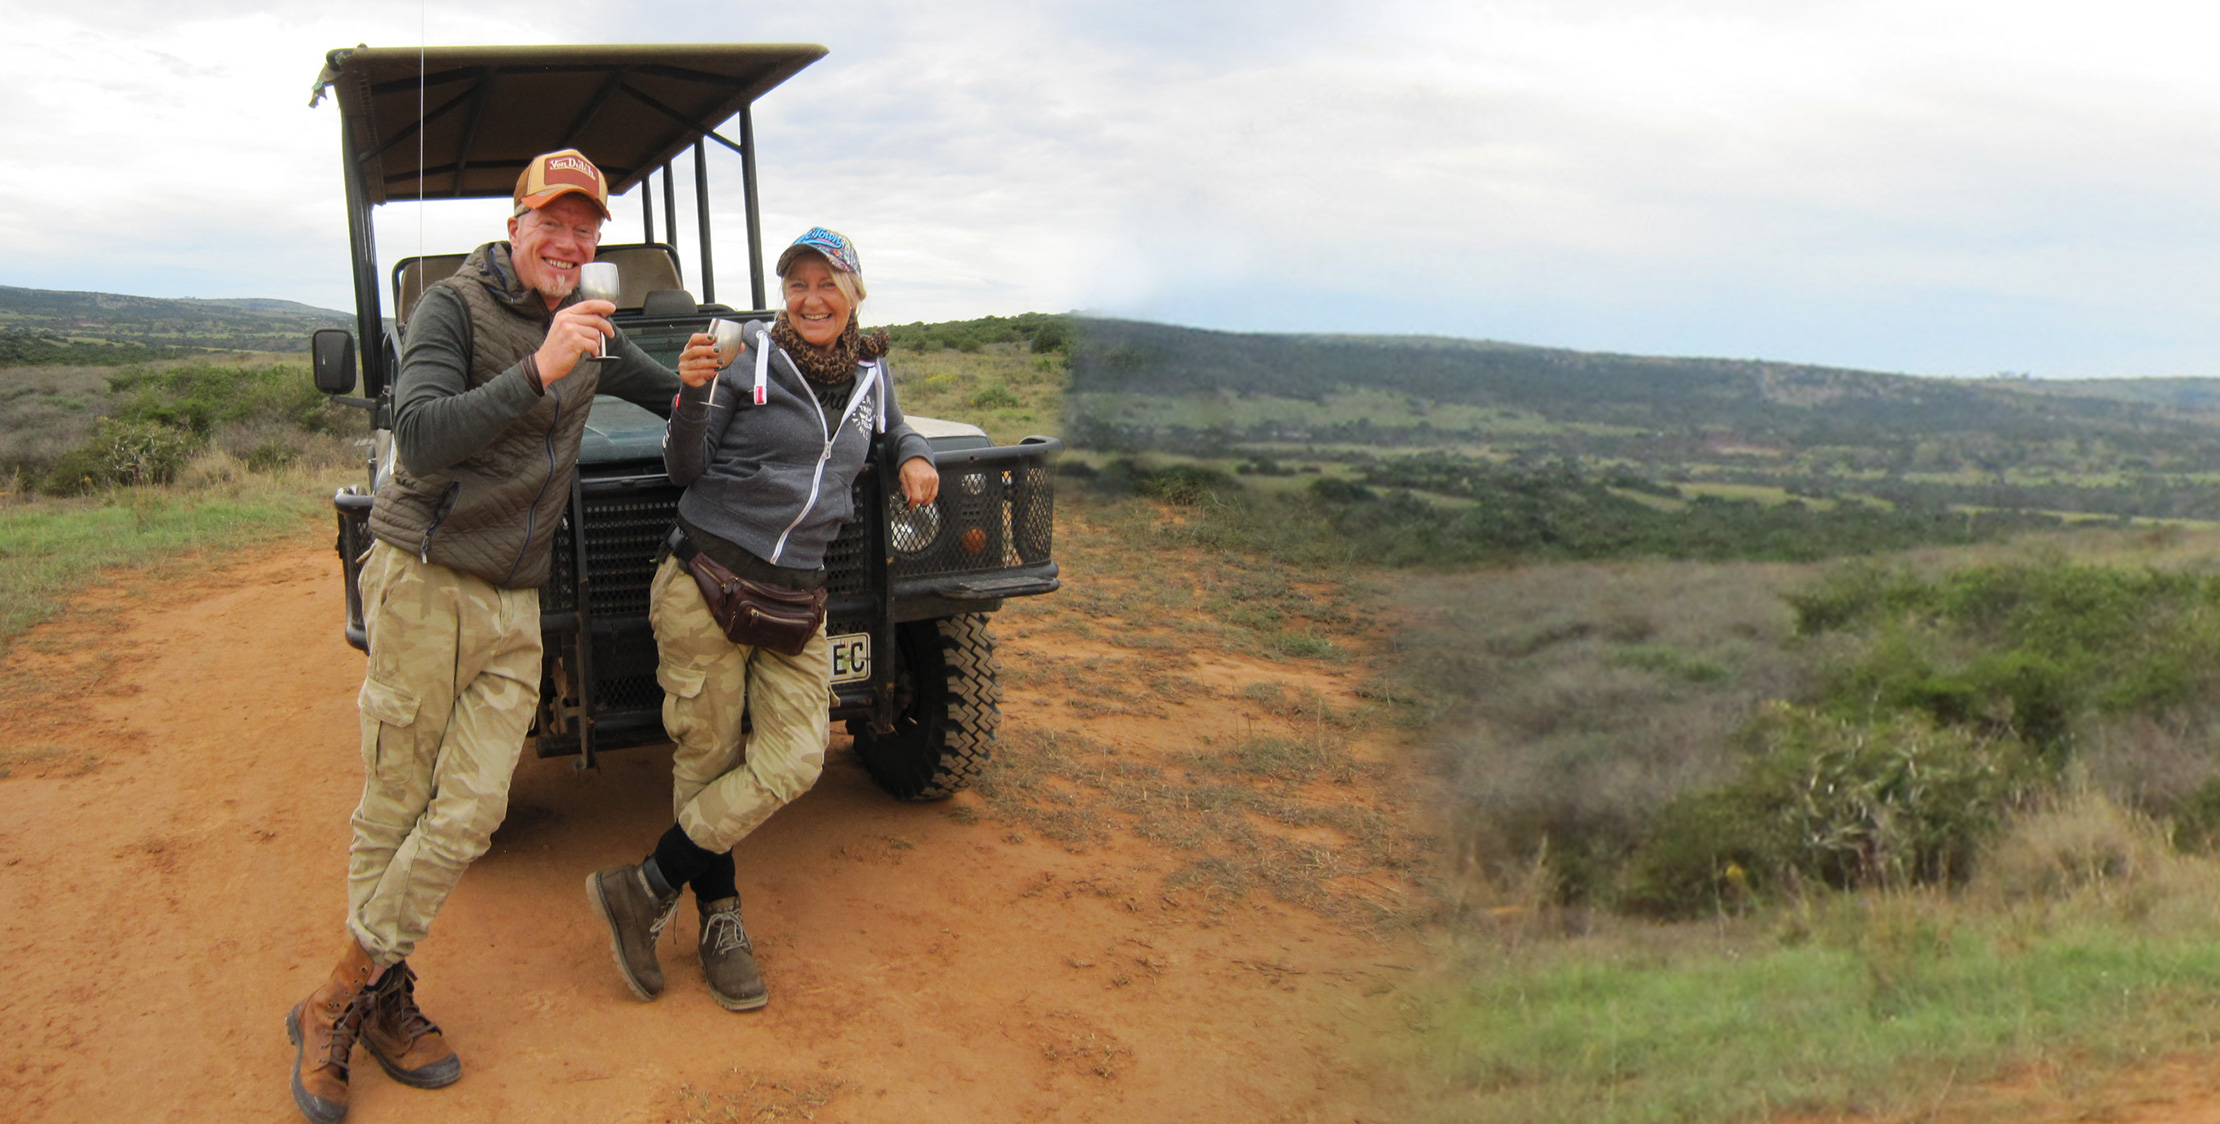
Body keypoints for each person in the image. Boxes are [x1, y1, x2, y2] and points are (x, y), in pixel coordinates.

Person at [286, 149, 722, 1124]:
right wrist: (540, 367)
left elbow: (668, 397)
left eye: (586, 227)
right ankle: (365, 1000)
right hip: (426, 580)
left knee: (473, 808)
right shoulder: (453, 306)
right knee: (399, 800)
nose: (569, 242)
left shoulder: (592, 325)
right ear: (516, 224)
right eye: (552, 223)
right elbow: (423, 432)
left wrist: (712, 379)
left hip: (516, 602)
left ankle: (339, 986)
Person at [587, 227, 939, 1011]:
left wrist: (914, 453)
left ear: (855, 293)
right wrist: (690, 393)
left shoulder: (873, 373)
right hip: (705, 579)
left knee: (796, 759)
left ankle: (643, 885)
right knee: (706, 755)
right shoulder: (745, 354)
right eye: (797, 284)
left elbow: (893, 427)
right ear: (783, 294)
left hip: (793, 597)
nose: (811, 298)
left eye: (828, 283)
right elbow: (685, 467)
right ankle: (721, 921)